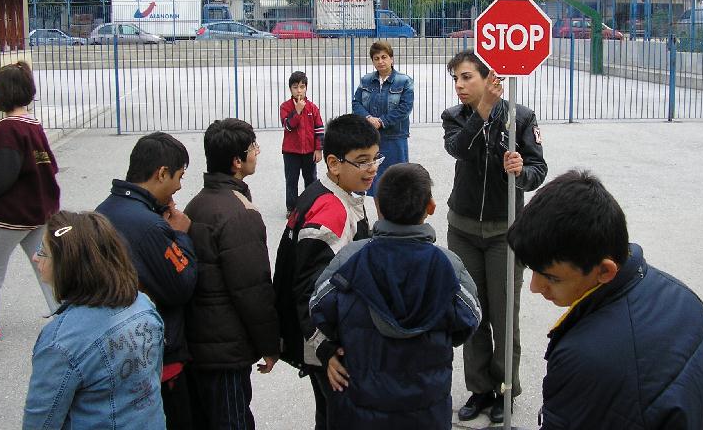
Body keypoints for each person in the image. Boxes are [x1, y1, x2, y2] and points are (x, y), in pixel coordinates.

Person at [507, 170, 703, 430]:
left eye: (551, 277)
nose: (535, 287)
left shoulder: (585, 357)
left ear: (605, 271)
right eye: (533, 270)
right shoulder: (682, 295)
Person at [309, 163, 482, 430]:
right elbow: (470, 319)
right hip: (427, 410)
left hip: (361, 407)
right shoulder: (448, 266)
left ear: (377, 206)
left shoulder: (351, 259)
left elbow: (319, 308)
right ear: (431, 207)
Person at [442, 50, 547, 424]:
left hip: (505, 233)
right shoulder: (454, 117)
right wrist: (484, 108)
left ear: (489, 78)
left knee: (504, 316)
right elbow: (461, 150)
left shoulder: (520, 117)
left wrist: (522, 170)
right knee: (472, 312)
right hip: (464, 230)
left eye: (467, 77)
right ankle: (479, 388)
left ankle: (505, 389)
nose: (459, 85)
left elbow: (538, 170)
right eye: (455, 78)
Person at [273, 113, 379, 430]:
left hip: (325, 337)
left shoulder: (328, 191)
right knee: (339, 417)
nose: (372, 168)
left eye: (375, 158)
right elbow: (307, 290)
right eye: (362, 161)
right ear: (333, 163)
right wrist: (326, 349)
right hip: (327, 343)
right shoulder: (331, 212)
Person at [23, 210, 165, 429]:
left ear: (67, 266)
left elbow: (41, 421)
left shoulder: (60, 342)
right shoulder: (143, 304)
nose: (35, 257)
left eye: (43, 251)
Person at [96, 132, 198, 430]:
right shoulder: (150, 226)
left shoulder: (104, 211)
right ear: (161, 173)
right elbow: (183, 286)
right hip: (156, 359)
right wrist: (181, 235)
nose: (179, 185)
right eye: (179, 176)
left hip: (117, 351)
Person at [184, 118, 280, 430]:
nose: (258, 151)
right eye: (253, 147)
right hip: (224, 348)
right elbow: (252, 289)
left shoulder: (197, 203)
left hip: (201, 339)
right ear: (237, 162)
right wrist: (269, 344)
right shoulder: (239, 214)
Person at [0, 61, 59, 343]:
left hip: (8, 216)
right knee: (45, 265)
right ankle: (62, 313)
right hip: (37, 212)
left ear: (5, 93)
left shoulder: (5, 129)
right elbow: (49, 166)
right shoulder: (33, 125)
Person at [352, 41, 413, 201]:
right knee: (376, 183)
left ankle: (397, 223)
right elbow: (356, 103)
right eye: (376, 58)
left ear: (391, 59)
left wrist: (381, 121)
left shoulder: (404, 81)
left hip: (395, 139)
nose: (381, 61)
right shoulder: (366, 81)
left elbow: (404, 108)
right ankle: (381, 224)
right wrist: (368, 118)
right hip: (372, 140)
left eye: (384, 57)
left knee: (397, 182)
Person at [280, 70, 324, 218]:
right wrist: (297, 112)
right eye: (295, 87)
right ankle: (291, 208)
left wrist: (318, 149)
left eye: (302, 87)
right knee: (291, 180)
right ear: (290, 89)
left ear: (306, 88)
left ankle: (310, 205)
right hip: (291, 152)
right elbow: (288, 126)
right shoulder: (285, 107)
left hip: (309, 151)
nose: (299, 90)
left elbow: (319, 129)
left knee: (311, 179)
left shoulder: (313, 107)